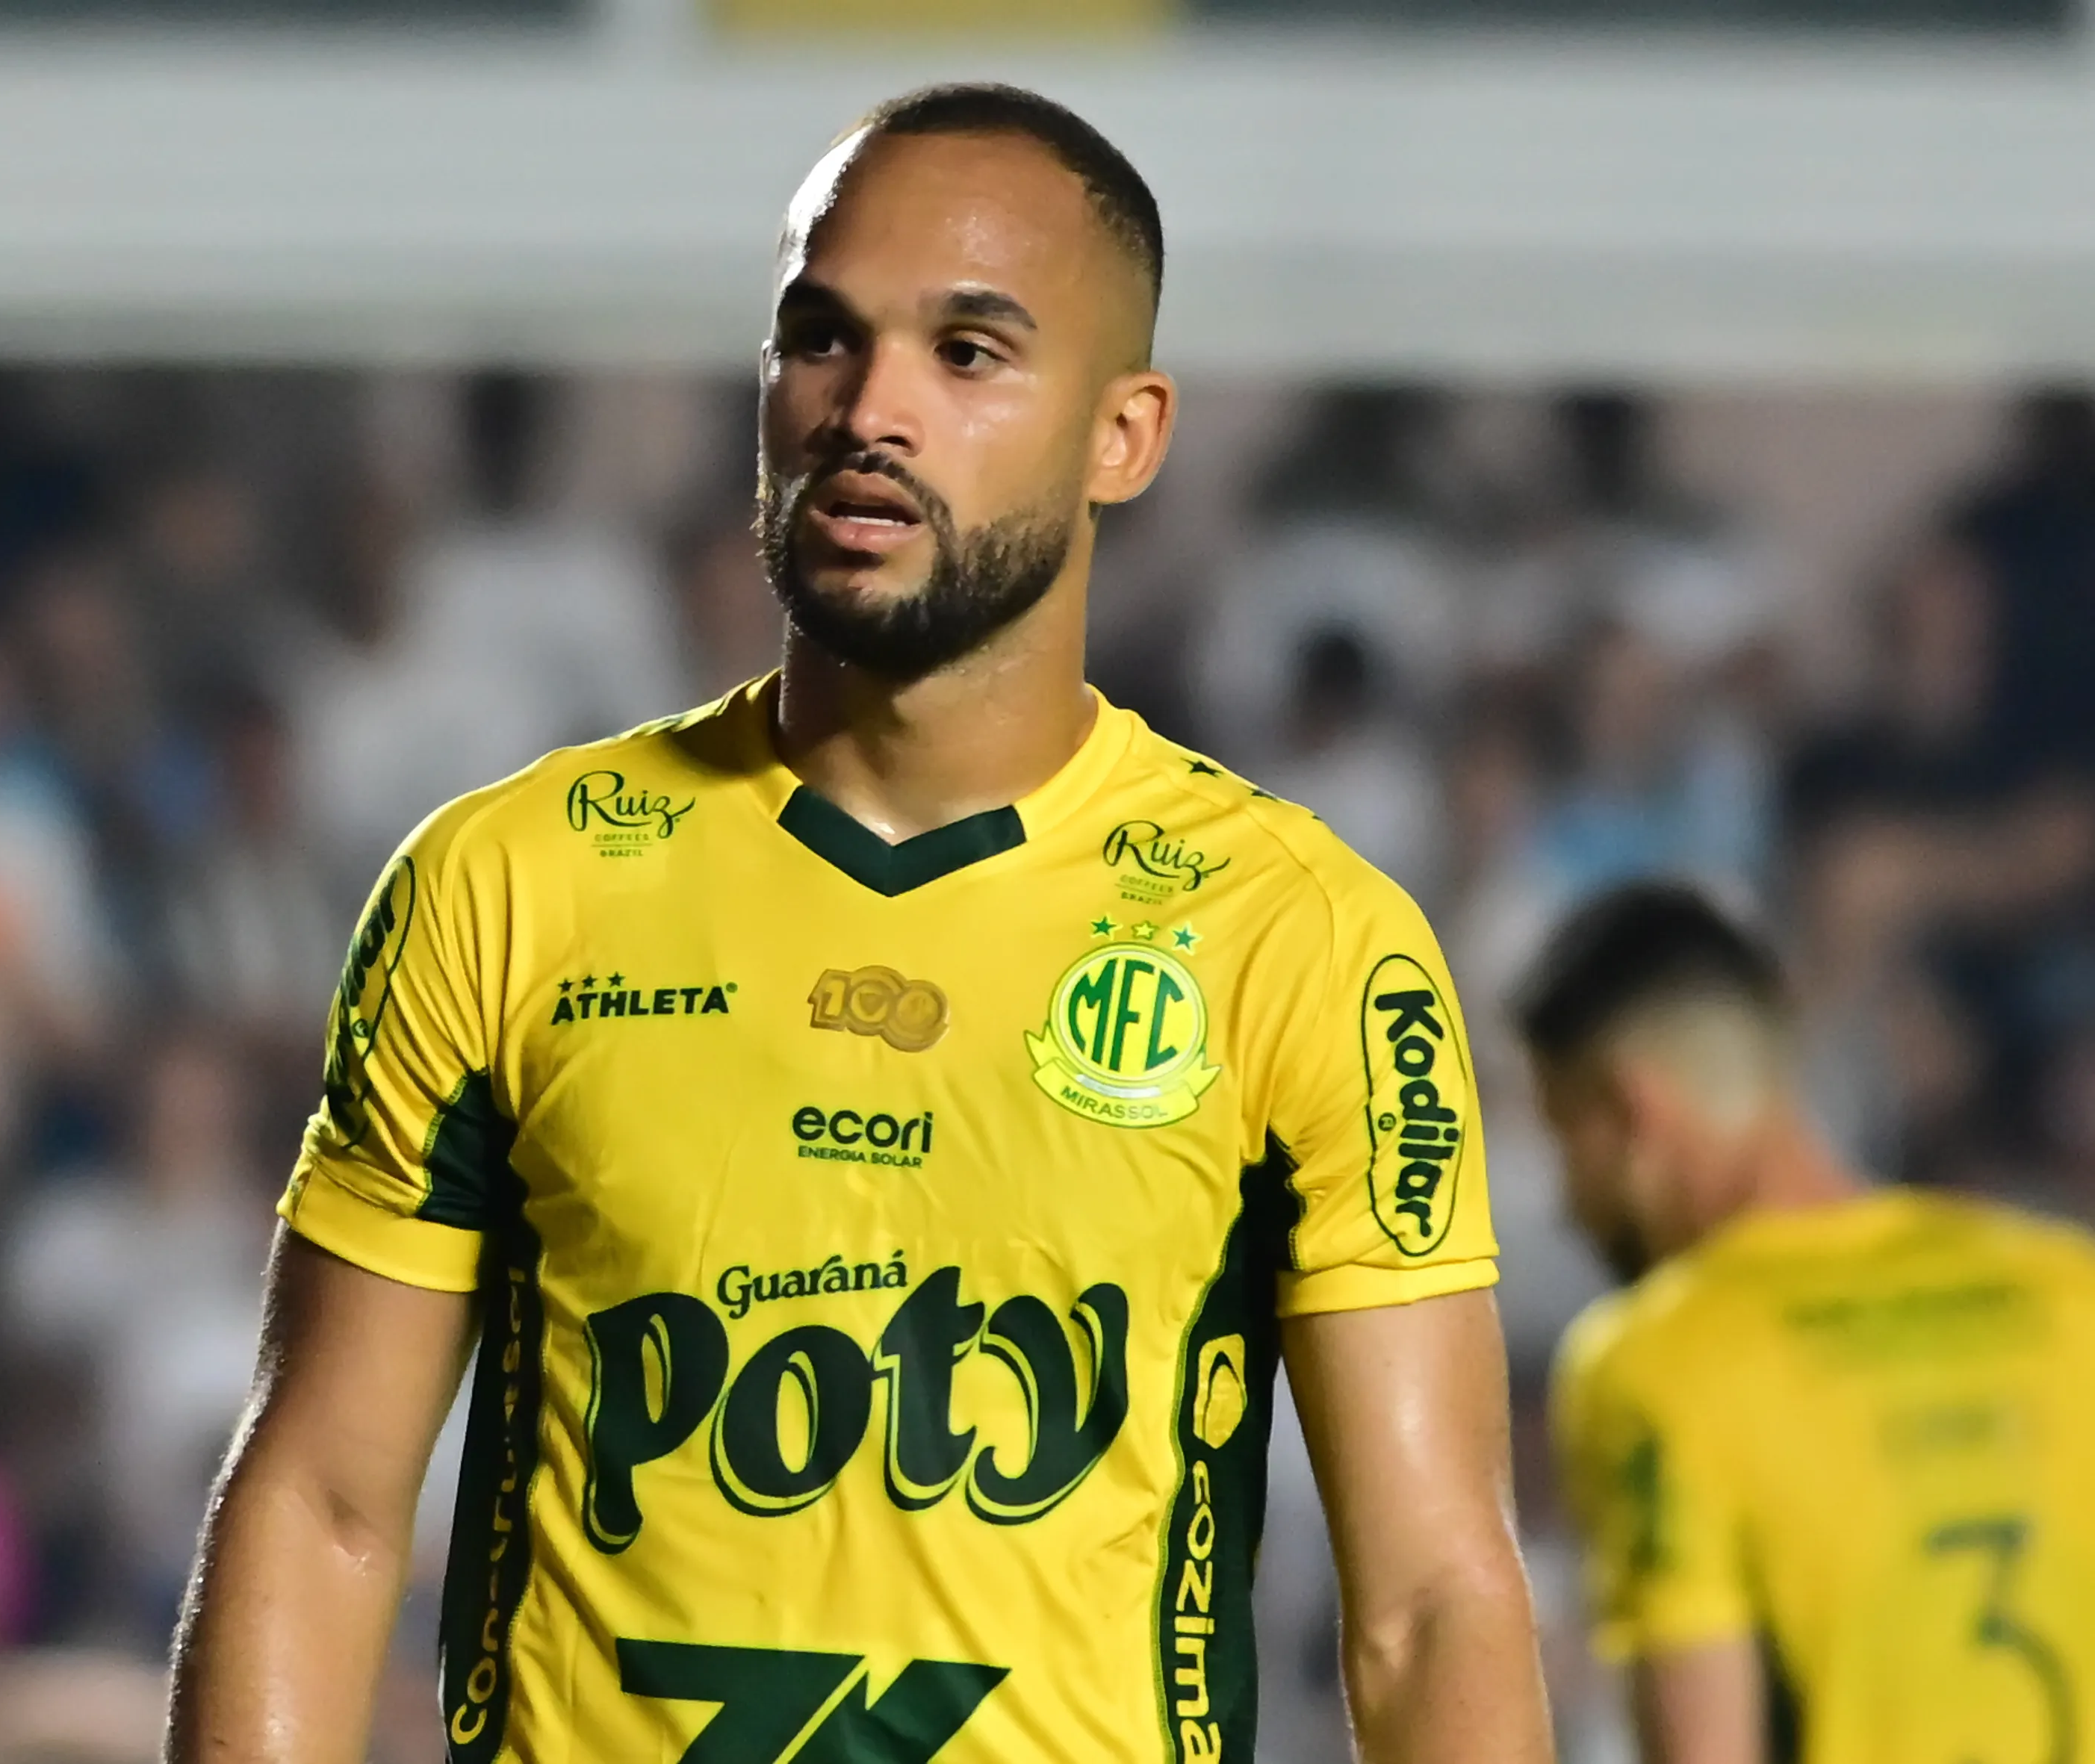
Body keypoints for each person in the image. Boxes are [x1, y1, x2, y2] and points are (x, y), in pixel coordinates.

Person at [168, 84, 1551, 1764]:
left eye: (968, 353)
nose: (868, 407)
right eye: (820, 340)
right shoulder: (508, 881)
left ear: (1125, 435)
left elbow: (1425, 1605)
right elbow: (317, 1499)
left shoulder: (1304, 938)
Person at [1516, 881, 2095, 1764]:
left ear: (1636, 1110)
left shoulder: (1661, 1366)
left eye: (1569, 1142)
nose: (1569, 1203)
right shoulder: (2067, 1291)